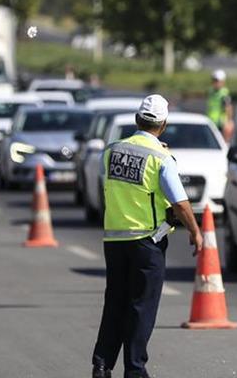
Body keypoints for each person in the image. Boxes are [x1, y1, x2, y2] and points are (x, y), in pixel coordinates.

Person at [91, 94, 204, 378]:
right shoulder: (161, 158)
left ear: (136, 120)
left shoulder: (112, 150)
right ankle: (135, 370)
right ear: (163, 124)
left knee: (115, 302)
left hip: (115, 240)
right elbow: (179, 203)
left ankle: (102, 364)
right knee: (141, 308)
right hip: (146, 242)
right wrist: (195, 231)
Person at [206, 69, 234, 141]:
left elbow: (228, 108)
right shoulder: (210, 91)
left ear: (222, 82)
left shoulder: (224, 93)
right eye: (214, 80)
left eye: (217, 81)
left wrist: (229, 122)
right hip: (210, 121)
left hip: (220, 124)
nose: (215, 83)